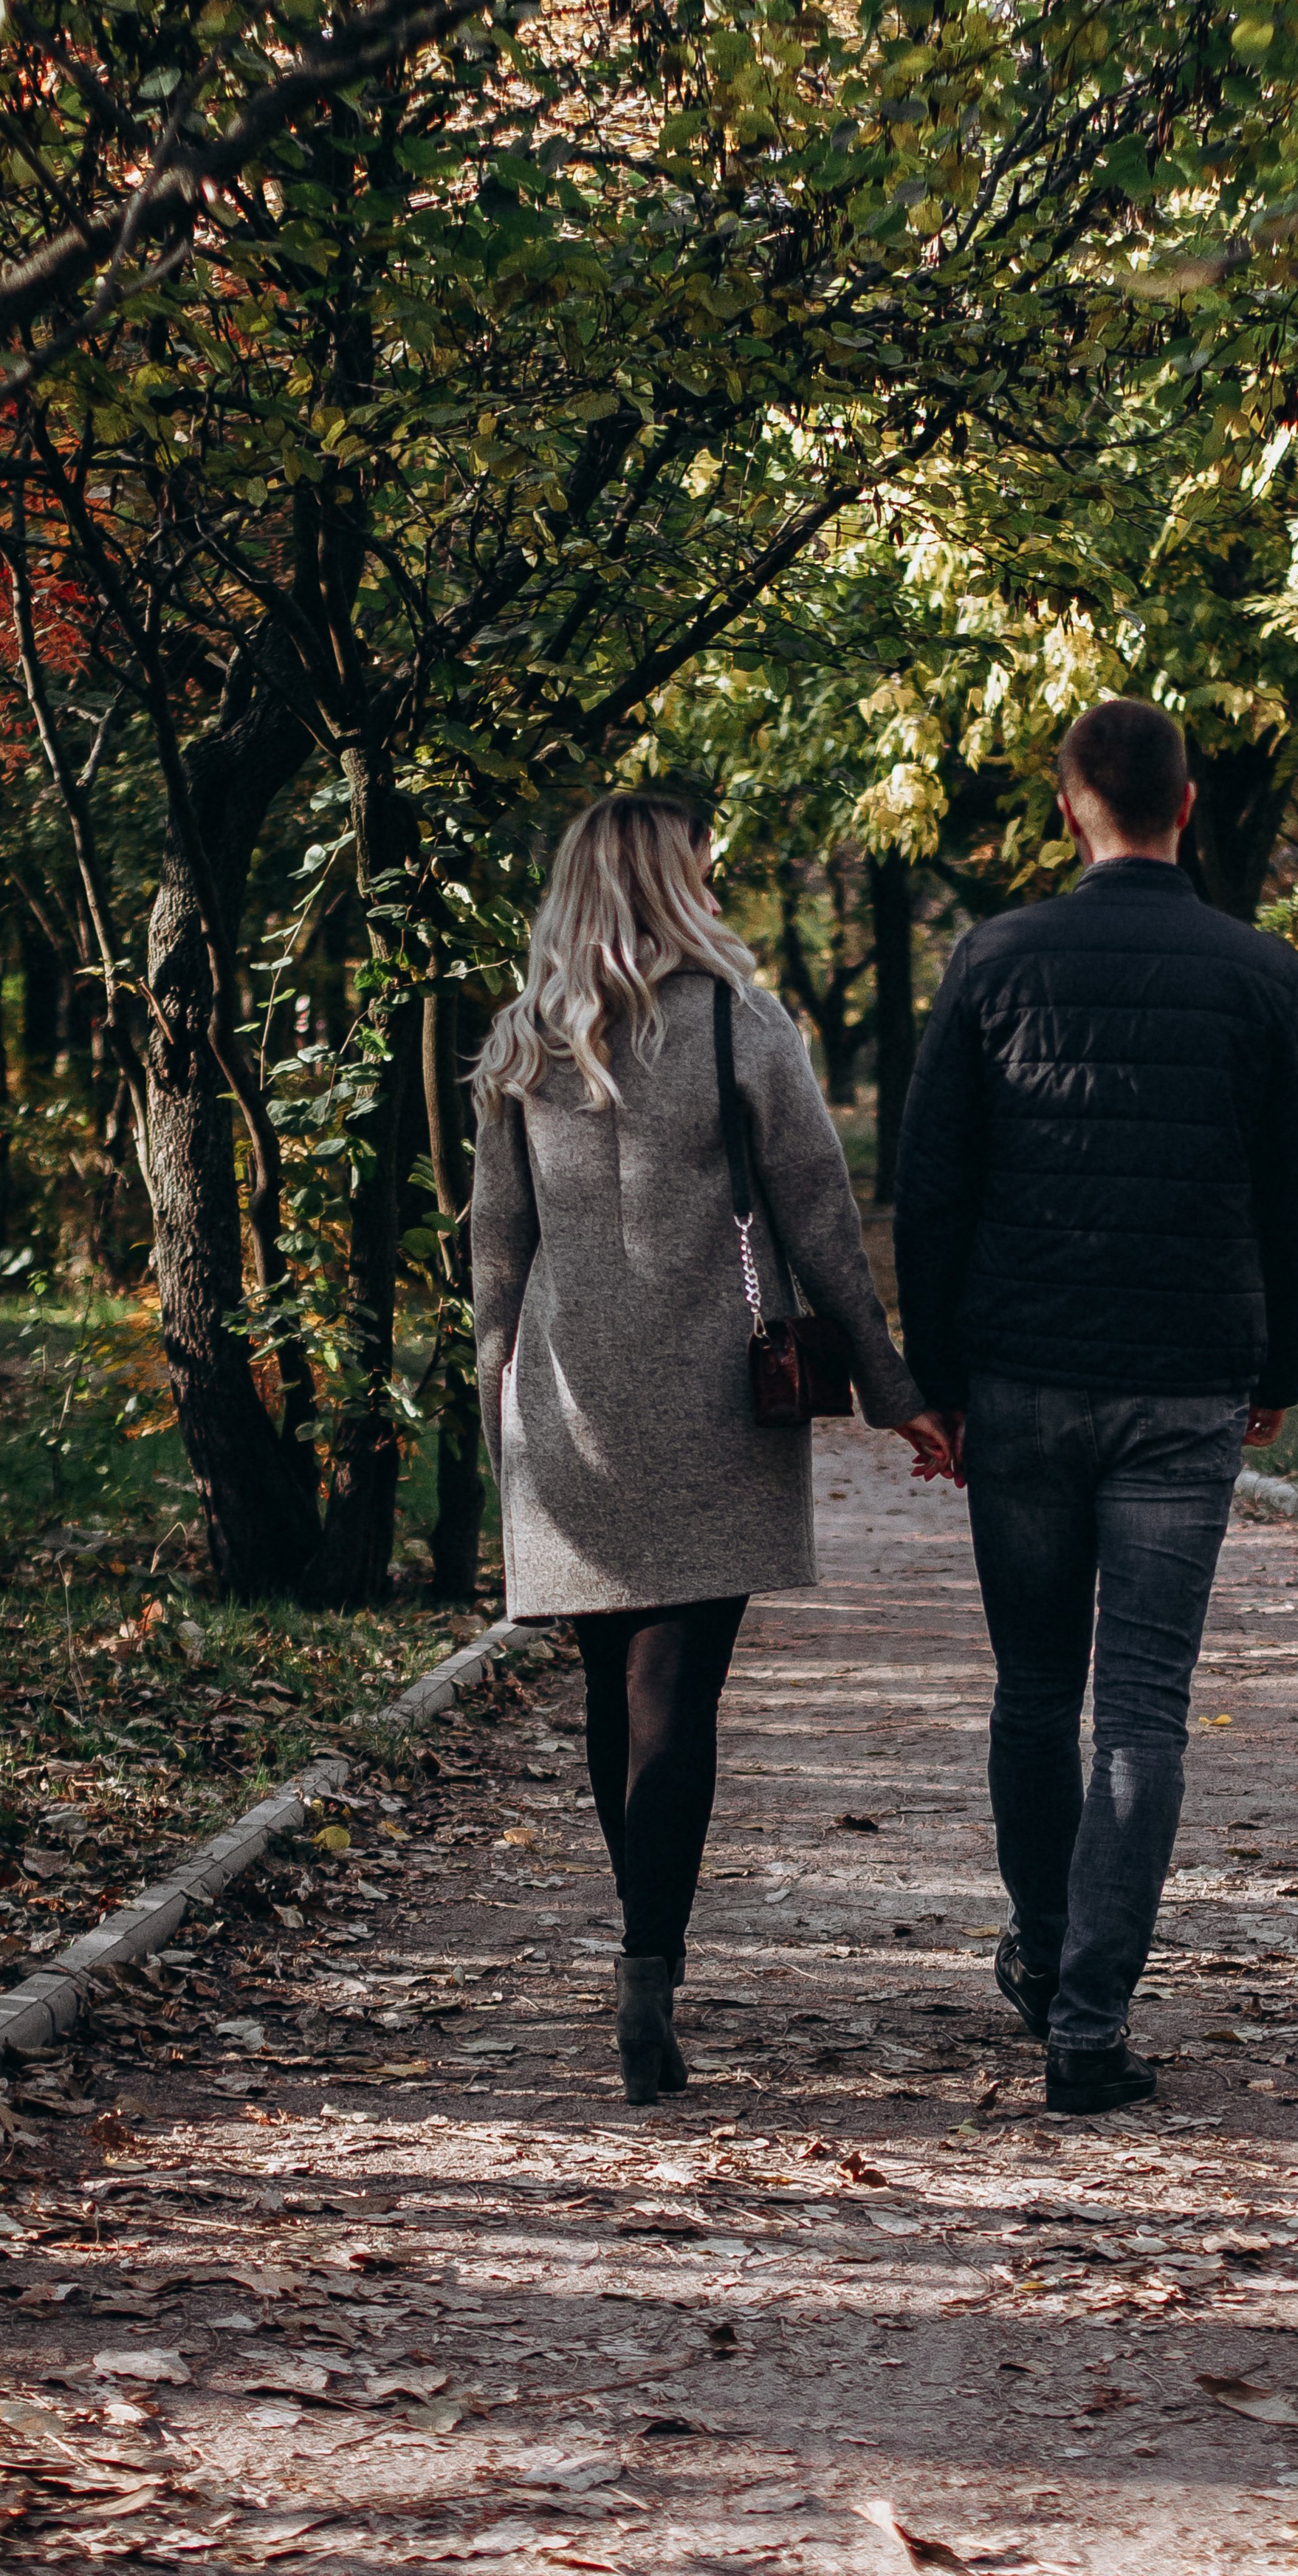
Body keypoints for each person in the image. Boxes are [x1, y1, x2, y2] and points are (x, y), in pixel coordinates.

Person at [893, 699, 1298, 2116]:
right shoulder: (1262, 974)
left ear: (1069, 806)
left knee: (1036, 1692)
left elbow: (934, 1184)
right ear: (1190, 806)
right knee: (1141, 1709)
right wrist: (1274, 1372)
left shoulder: (995, 958)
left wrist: (938, 1382)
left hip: (1021, 1384)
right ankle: (1088, 2020)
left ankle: (1041, 1950)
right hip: (1184, 1388)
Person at [472, 793, 951, 2104]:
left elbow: (494, 1254)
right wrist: (897, 1389)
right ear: (672, 885)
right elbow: (821, 1223)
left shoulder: (524, 1040)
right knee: (674, 1698)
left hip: (563, 1414)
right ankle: (647, 1975)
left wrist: (492, 1424)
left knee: (603, 1694)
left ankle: (638, 1968)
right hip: (710, 1410)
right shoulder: (741, 1020)